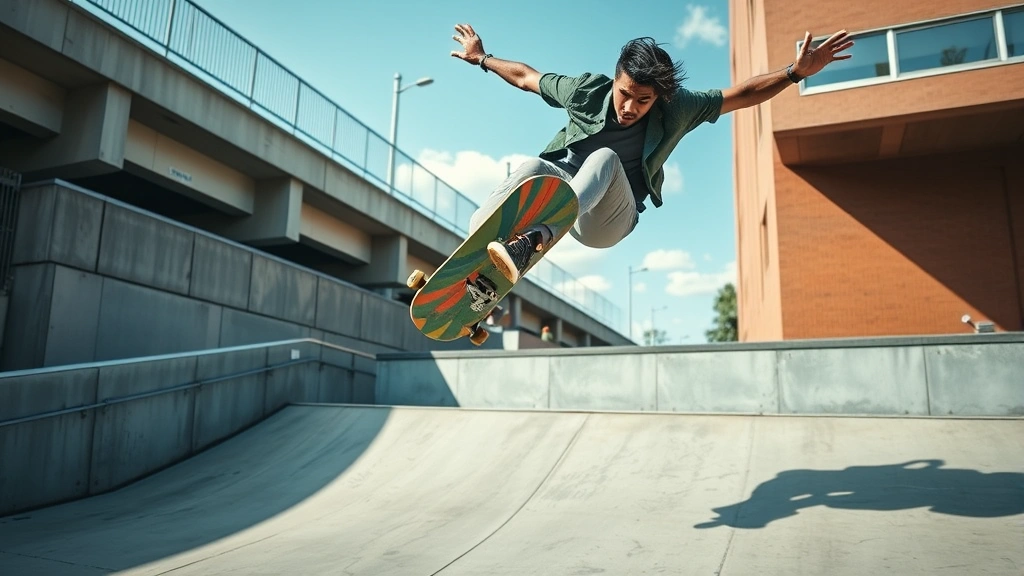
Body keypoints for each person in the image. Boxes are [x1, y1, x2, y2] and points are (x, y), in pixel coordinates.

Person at [450, 24, 853, 283]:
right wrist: (482, 57)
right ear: (615, 79)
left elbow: (742, 94)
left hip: (608, 222)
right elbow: (526, 77)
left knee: (604, 159)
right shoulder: (585, 90)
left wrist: (794, 73)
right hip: (566, 205)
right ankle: (475, 248)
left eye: (643, 101)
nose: (630, 108)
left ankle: (532, 240)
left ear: (658, 97)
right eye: (625, 94)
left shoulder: (679, 107)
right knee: (534, 166)